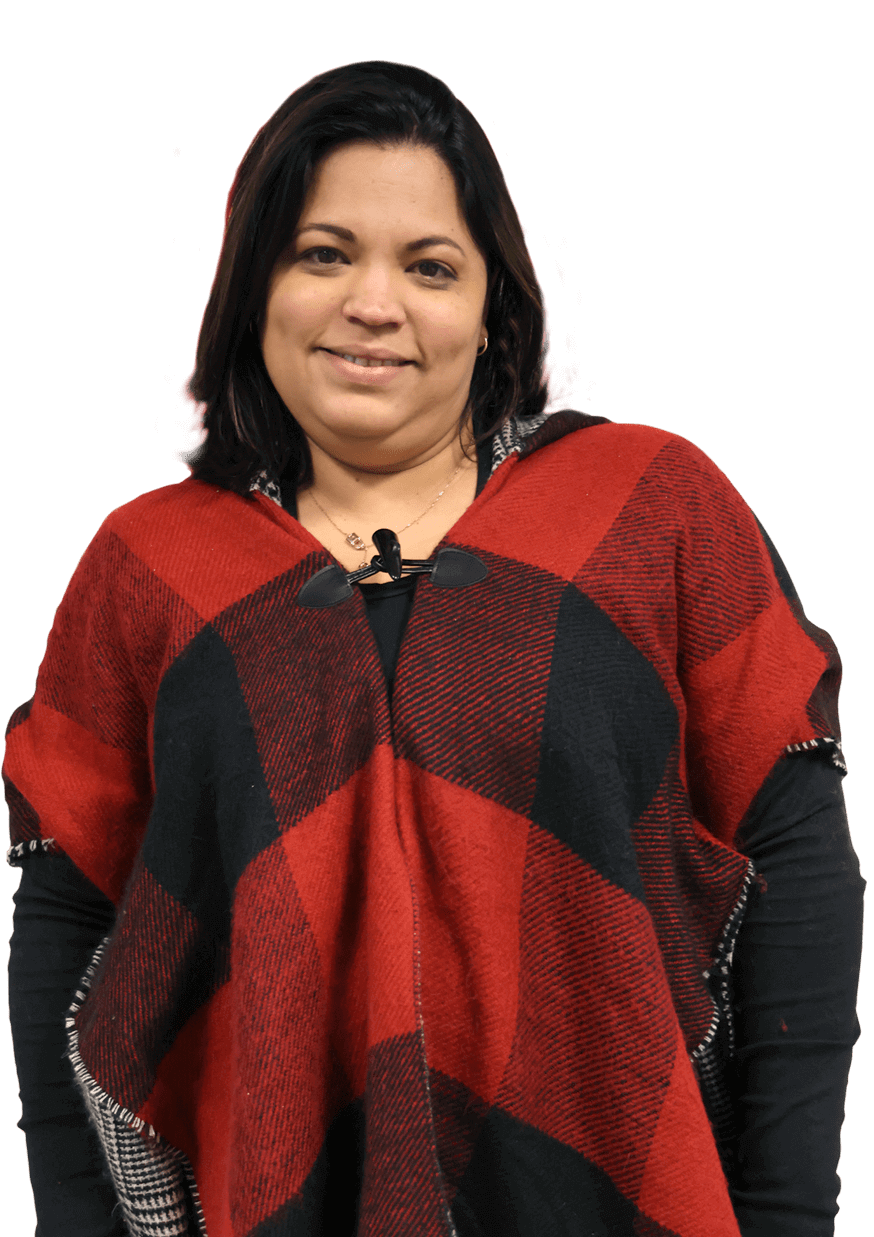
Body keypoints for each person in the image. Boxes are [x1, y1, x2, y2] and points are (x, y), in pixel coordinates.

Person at [5, 60, 862, 1237]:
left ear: (492, 307)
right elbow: (67, 921)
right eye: (323, 254)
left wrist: (785, 1214)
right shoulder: (149, 567)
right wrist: (73, 1221)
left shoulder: (649, 507)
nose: (374, 303)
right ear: (254, 284)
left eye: (429, 267)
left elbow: (795, 861)